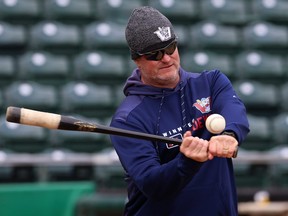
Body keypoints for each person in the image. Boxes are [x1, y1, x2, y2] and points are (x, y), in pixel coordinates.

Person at [109, 6, 250, 216]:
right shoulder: (127, 120)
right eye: (154, 54)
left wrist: (229, 135)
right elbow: (152, 184)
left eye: (170, 47)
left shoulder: (211, 82)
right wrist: (187, 162)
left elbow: (234, 111)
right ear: (137, 60)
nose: (166, 58)